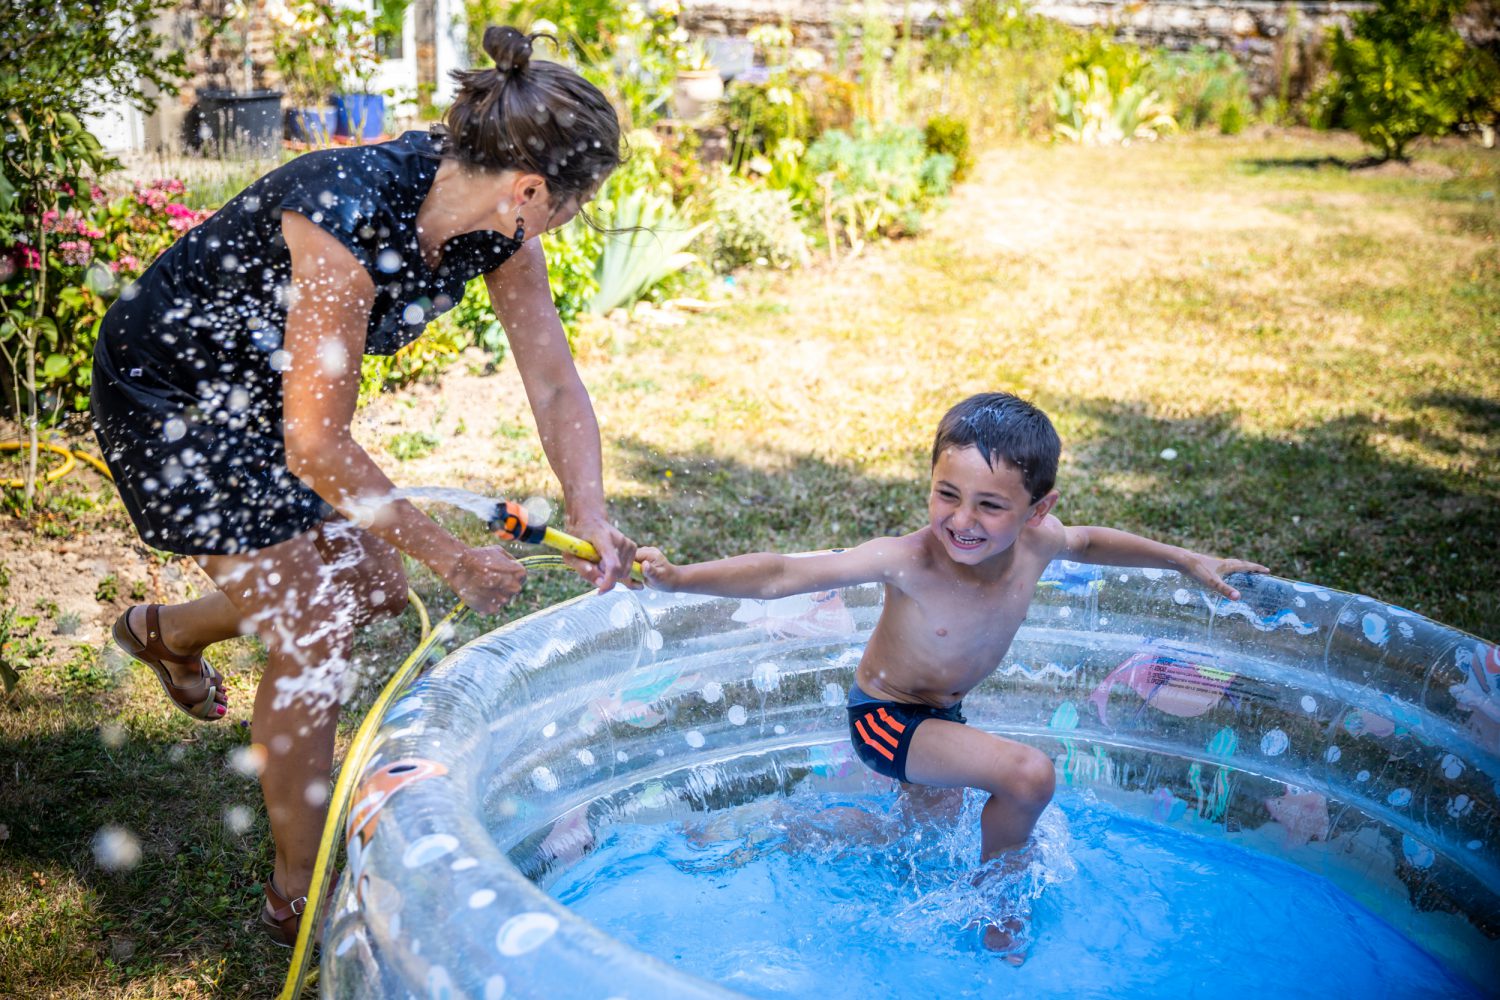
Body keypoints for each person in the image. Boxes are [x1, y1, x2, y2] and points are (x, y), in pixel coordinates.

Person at [91, 27, 636, 945]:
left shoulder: (491, 224)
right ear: (532, 189)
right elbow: (317, 444)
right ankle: (298, 898)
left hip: (263, 397)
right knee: (314, 621)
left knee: (375, 588)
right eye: (573, 206)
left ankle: (164, 632)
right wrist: (453, 557)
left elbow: (552, 381)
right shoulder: (343, 216)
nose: (565, 222)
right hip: (172, 395)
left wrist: (590, 511)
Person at [636, 391, 1267, 962]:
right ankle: (997, 910)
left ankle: (774, 826)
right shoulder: (909, 560)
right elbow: (780, 573)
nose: (962, 521)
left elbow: (1092, 542)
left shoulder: (1040, 542)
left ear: (1037, 510)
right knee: (1026, 776)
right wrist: (681, 577)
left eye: (991, 506)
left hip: (941, 715)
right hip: (885, 717)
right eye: (947, 494)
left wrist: (1186, 561)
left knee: (914, 838)